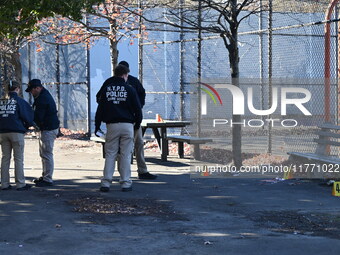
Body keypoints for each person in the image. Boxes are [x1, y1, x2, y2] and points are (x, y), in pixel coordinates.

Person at [96, 61, 157, 180]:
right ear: (126, 73)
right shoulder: (132, 83)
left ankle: (115, 176)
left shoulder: (110, 83)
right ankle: (136, 173)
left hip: (115, 121)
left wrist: (108, 111)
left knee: (115, 150)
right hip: (131, 119)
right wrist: (137, 112)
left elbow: (100, 99)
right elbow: (141, 96)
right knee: (135, 145)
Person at [95, 64, 142, 192]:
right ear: (125, 75)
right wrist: (137, 124)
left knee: (110, 154)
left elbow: (100, 108)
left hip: (112, 125)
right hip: (127, 125)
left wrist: (97, 125)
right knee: (126, 155)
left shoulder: (107, 89)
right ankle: (126, 182)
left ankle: (106, 182)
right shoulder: (130, 89)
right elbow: (138, 109)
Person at [0, 81, 34, 190]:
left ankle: (4, 183)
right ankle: (20, 183)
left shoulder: (2, 102)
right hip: (16, 132)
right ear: (18, 89)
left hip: (2, 133)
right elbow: (27, 117)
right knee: (18, 159)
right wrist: (28, 126)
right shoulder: (19, 101)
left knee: (5, 158)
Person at [25, 79, 60, 187]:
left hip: (48, 128)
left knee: (47, 154)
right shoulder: (43, 96)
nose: (31, 93)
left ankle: (48, 178)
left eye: (32, 90)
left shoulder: (42, 99)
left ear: (37, 88)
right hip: (48, 128)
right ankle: (45, 176)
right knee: (44, 153)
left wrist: (27, 124)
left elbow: (38, 116)